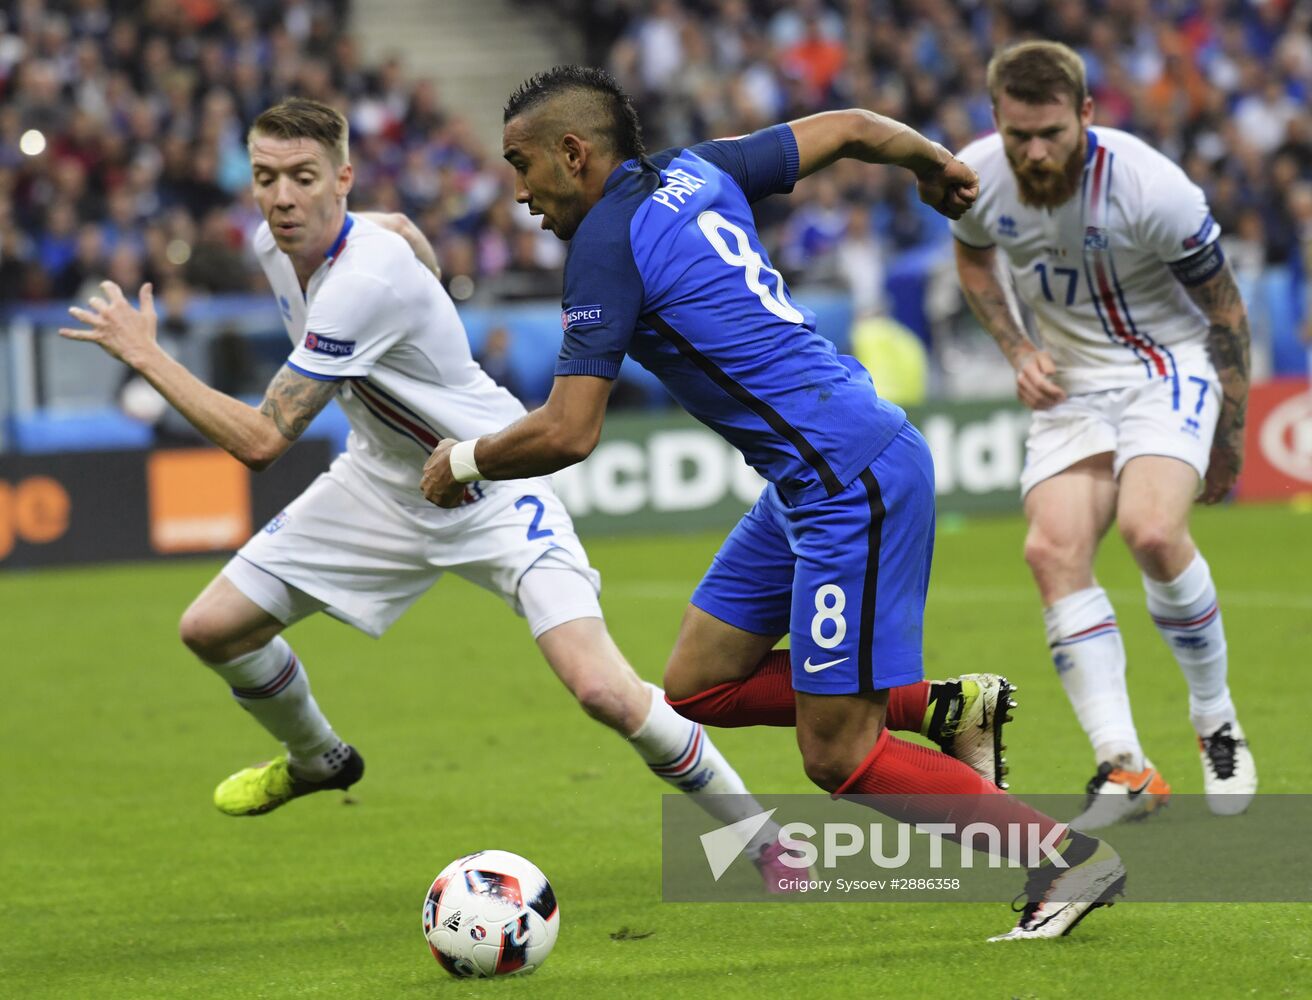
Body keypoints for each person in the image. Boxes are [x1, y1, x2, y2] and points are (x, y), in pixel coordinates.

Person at [419, 65, 1124, 941]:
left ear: (574, 151)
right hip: (811, 479)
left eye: (521, 164)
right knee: (697, 688)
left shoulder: (604, 245)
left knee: (839, 756)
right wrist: (929, 163)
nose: (516, 192)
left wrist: (468, 459)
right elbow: (854, 123)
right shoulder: (701, 168)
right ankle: (941, 706)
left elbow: (569, 431)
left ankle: (1064, 859)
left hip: (845, 481)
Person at [63, 98, 837, 892]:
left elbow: (263, 441)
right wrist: (419, 263)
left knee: (604, 691)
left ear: (342, 178)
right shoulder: (281, 243)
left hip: (488, 482)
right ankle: (317, 758)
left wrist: (144, 355)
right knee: (211, 629)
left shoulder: (363, 278)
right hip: (379, 480)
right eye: (266, 178)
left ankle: (761, 840)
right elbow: (396, 225)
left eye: (302, 178)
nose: (282, 198)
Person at [950, 41, 1257, 830]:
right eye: (1019, 134)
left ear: (1087, 114)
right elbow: (974, 260)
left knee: (1151, 531)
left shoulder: (1152, 187)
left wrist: (1230, 440)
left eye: (1051, 131)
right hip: (1071, 390)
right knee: (1049, 551)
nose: (1035, 150)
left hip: (1165, 367)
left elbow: (1224, 309)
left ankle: (1215, 718)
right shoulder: (976, 176)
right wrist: (1018, 349)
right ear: (997, 121)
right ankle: (1125, 767)